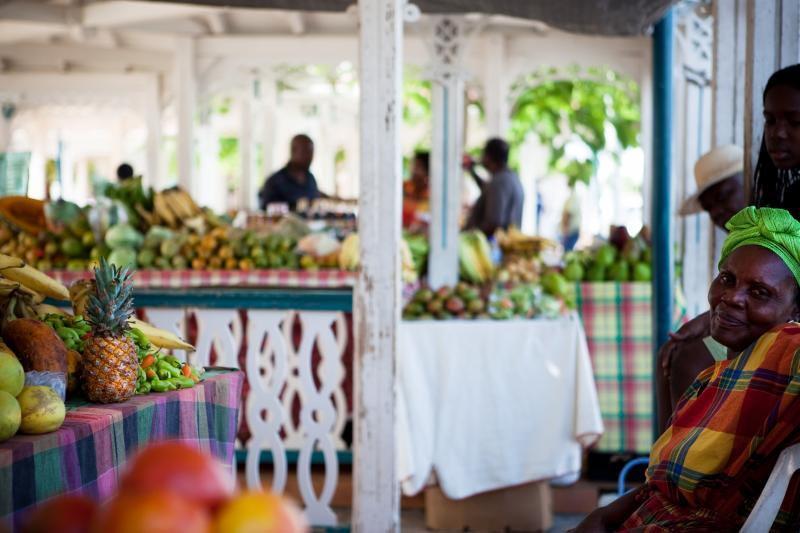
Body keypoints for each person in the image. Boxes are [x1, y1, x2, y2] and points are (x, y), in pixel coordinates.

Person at [574, 207, 800, 532]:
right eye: (727, 279)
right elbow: (661, 486)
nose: (731, 297)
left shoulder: (788, 350)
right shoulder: (712, 379)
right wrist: (604, 516)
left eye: (759, 292)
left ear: (794, 309)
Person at [662, 66, 800, 423]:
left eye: (793, 121)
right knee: (679, 354)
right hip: (777, 328)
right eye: (770, 121)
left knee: (691, 359)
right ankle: (669, 465)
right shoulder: (785, 192)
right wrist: (714, 316)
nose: (778, 134)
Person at [657, 145, 747, 431]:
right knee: (670, 353)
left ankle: (682, 466)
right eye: (710, 208)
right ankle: (663, 462)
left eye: (724, 196)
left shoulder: (768, 235)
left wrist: (707, 323)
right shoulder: (739, 243)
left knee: (688, 359)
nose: (719, 212)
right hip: (747, 329)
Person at [463, 138, 524, 237]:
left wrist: (468, 234)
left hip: (491, 248)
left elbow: (493, 223)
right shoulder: (510, 178)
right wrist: (472, 171)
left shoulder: (499, 182)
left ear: (489, 156)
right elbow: (488, 190)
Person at [258, 134, 321, 211]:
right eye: (306, 152)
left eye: (312, 152)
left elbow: (315, 198)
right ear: (293, 151)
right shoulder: (274, 181)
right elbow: (266, 210)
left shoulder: (311, 179)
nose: (310, 157)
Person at [402, 151, 430, 229]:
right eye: (412, 165)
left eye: (417, 166)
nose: (413, 170)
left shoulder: (432, 192)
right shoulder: (404, 187)